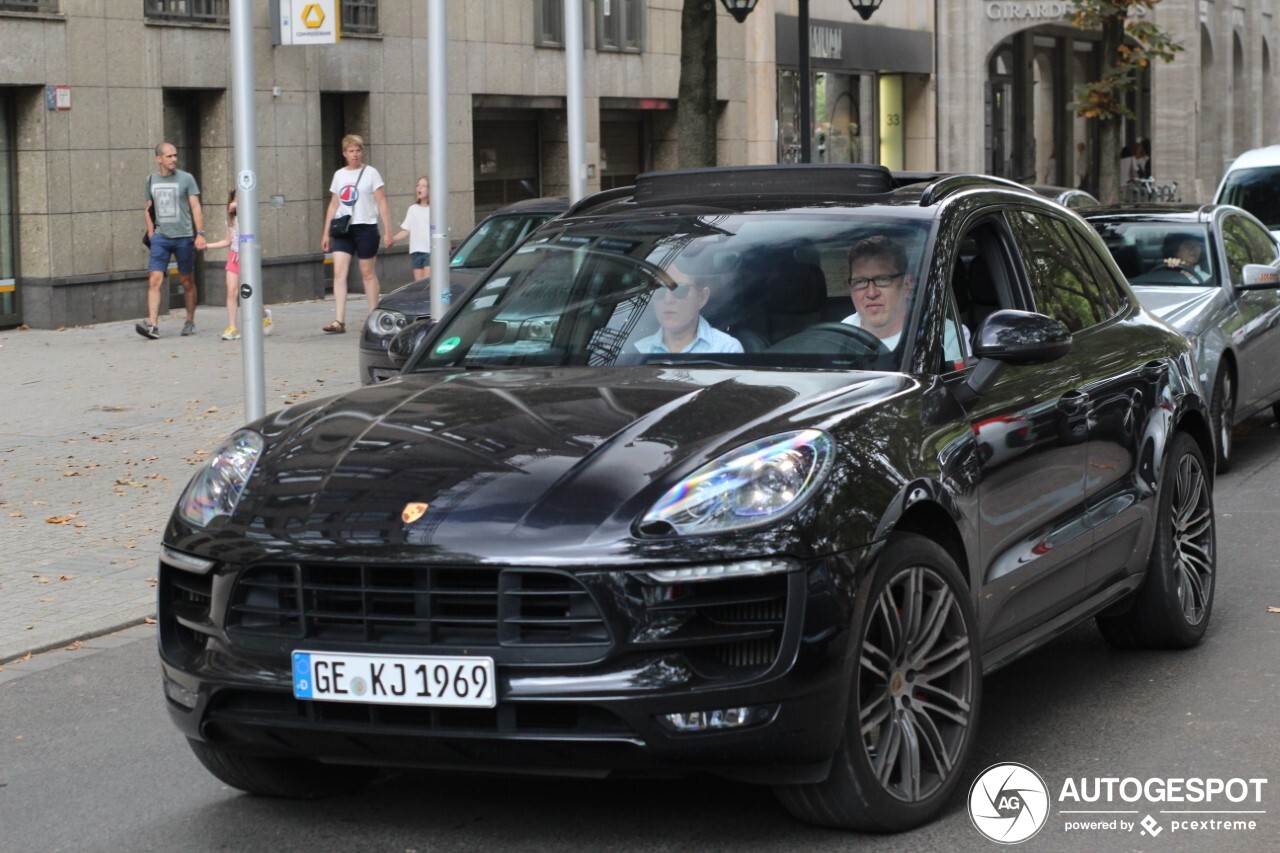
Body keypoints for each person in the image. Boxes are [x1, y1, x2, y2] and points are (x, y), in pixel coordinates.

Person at [844, 235, 968, 362]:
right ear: (850, 288)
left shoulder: (945, 336)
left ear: (907, 285)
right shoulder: (838, 337)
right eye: (860, 282)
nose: (871, 293)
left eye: (882, 279)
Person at [320, 134, 393, 333]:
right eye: (351, 151)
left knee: (367, 273)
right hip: (343, 229)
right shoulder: (339, 175)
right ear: (344, 154)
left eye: (358, 150)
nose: (355, 154)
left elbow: (382, 202)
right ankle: (339, 320)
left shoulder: (371, 173)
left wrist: (388, 231)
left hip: (366, 227)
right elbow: (334, 204)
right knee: (339, 272)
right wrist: (326, 233)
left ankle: (373, 317)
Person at [138, 141, 205, 340]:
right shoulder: (151, 180)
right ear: (159, 159)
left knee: (186, 281)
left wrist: (200, 234)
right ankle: (153, 325)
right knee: (154, 280)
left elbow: (196, 208)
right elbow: (148, 209)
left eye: (175, 155)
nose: (173, 159)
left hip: (184, 237)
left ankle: (190, 321)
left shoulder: (186, 179)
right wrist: (151, 232)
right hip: (161, 238)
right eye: (169, 156)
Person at [631, 257, 743, 354]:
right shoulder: (637, 351)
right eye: (659, 290)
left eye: (679, 290)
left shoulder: (727, 350)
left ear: (702, 298)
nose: (668, 299)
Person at [203, 190, 272, 340]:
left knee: (251, 293)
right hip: (234, 256)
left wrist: (239, 208)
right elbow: (227, 241)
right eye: (234, 201)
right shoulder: (231, 221)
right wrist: (207, 246)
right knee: (231, 291)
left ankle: (264, 315)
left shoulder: (249, 217)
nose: (236, 205)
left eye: (240, 201)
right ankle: (233, 327)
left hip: (248, 257)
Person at [391, 176, 432, 280]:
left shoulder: (435, 209)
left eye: (423, 186)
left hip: (430, 251)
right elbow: (406, 230)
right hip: (416, 252)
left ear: (430, 189)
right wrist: (393, 239)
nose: (420, 188)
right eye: (418, 185)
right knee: (419, 285)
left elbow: (444, 231)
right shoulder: (412, 209)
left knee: (428, 283)